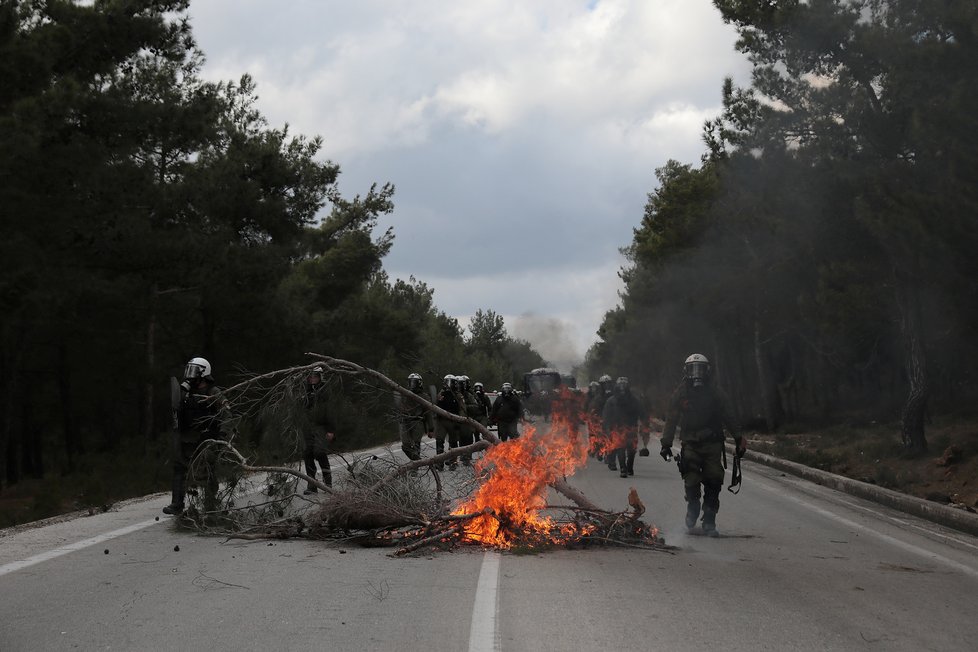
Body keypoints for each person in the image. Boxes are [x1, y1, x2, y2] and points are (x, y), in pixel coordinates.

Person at [659, 353, 746, 537]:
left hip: (712, 444)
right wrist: (666, 444)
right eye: (693, 369)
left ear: (708, 371)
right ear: (686, 371)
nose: (696, 373)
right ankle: (693, 506)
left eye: (700, 369)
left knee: (714, 481)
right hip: (690, 443)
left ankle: (709, 521)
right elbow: (671, 419)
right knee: (691, 479)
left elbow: (729, 415)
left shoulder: (716, 393)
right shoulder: (681, 393)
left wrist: (739, 438)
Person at [163, 357, 226, 515]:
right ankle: (177, 504)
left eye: (194, 371)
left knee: (208, 470)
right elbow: (177, 412)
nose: (190, 375)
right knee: (179, 467)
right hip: (189, 437)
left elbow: (227, 414)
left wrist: (223, 436)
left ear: (203, 373)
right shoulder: (186, 394)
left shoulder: (213, 392)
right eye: (189, 370)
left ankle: (210, 506)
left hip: (208, 437)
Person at [602, 376, 646, 478]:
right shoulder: (611, 401)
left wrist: (644, 426)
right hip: (617, 428)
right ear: (617, 386)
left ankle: (629, 466)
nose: (622, 387)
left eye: (624, 385)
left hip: (631, 427)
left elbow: (642, 413)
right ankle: (623, 468)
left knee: (631, 449)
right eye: (620, 385)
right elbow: (606, 415)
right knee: (620, 448)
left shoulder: (634, 400)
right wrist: (607, 428)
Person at [301, 366, 335, 494]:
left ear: (320, 377)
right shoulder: (306, 392)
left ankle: (328, 483)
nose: (313, 378)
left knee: (320, 453)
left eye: (315, 376)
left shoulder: (325, 391)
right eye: (311, 376)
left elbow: (330, 411)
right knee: (307, 454)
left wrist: (331, 430)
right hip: (308, 428)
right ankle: (312, 485)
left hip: (321, 426)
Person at [399, 372, 434, 461]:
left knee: (416, 444)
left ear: (419, 383)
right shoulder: (405, 394)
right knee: (405, 445)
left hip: (417, 422)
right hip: (405, 422)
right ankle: (418, 460)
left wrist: (431, 429)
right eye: (411, 382)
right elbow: (400, 408)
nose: (412, 384)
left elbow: (428, 413)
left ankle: (415, 466)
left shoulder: (424, 396)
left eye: (414, 382)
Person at [435, 374, 461, 470]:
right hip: (441, 421)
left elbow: (462, 409)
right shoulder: (441, 394)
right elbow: (435, 406)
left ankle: (453, 462)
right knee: (439, 440)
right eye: (447, 382)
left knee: (453, 442)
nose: (448, 385)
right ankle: (439, 462)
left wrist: (459, 422)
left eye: (450, 382)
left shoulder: (458, 395)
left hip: (453, 421)